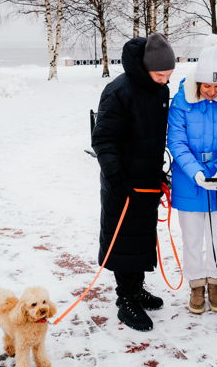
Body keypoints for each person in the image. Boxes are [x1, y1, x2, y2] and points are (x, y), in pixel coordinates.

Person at [91, 33, 175, 332]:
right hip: (123, 182)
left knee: (141, 237)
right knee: (124, 239)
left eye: (169, 75)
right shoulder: (119, 91)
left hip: (147, 180)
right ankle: (125, 298)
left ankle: (136, 288)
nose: (165, 80)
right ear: (145, 68)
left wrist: (158, 172)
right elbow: (103, 138)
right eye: (160, 74)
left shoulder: (158, 90)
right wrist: (116, 177)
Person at [167, 34, 217, 314]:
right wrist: (196, 172)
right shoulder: (181, 103)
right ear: (197, 82)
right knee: (193, 236)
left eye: (216, 85)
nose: (211, 91)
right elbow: (176, 141)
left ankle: (216, 282)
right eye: (206, 85)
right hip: (190, 180)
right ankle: (197, 284)